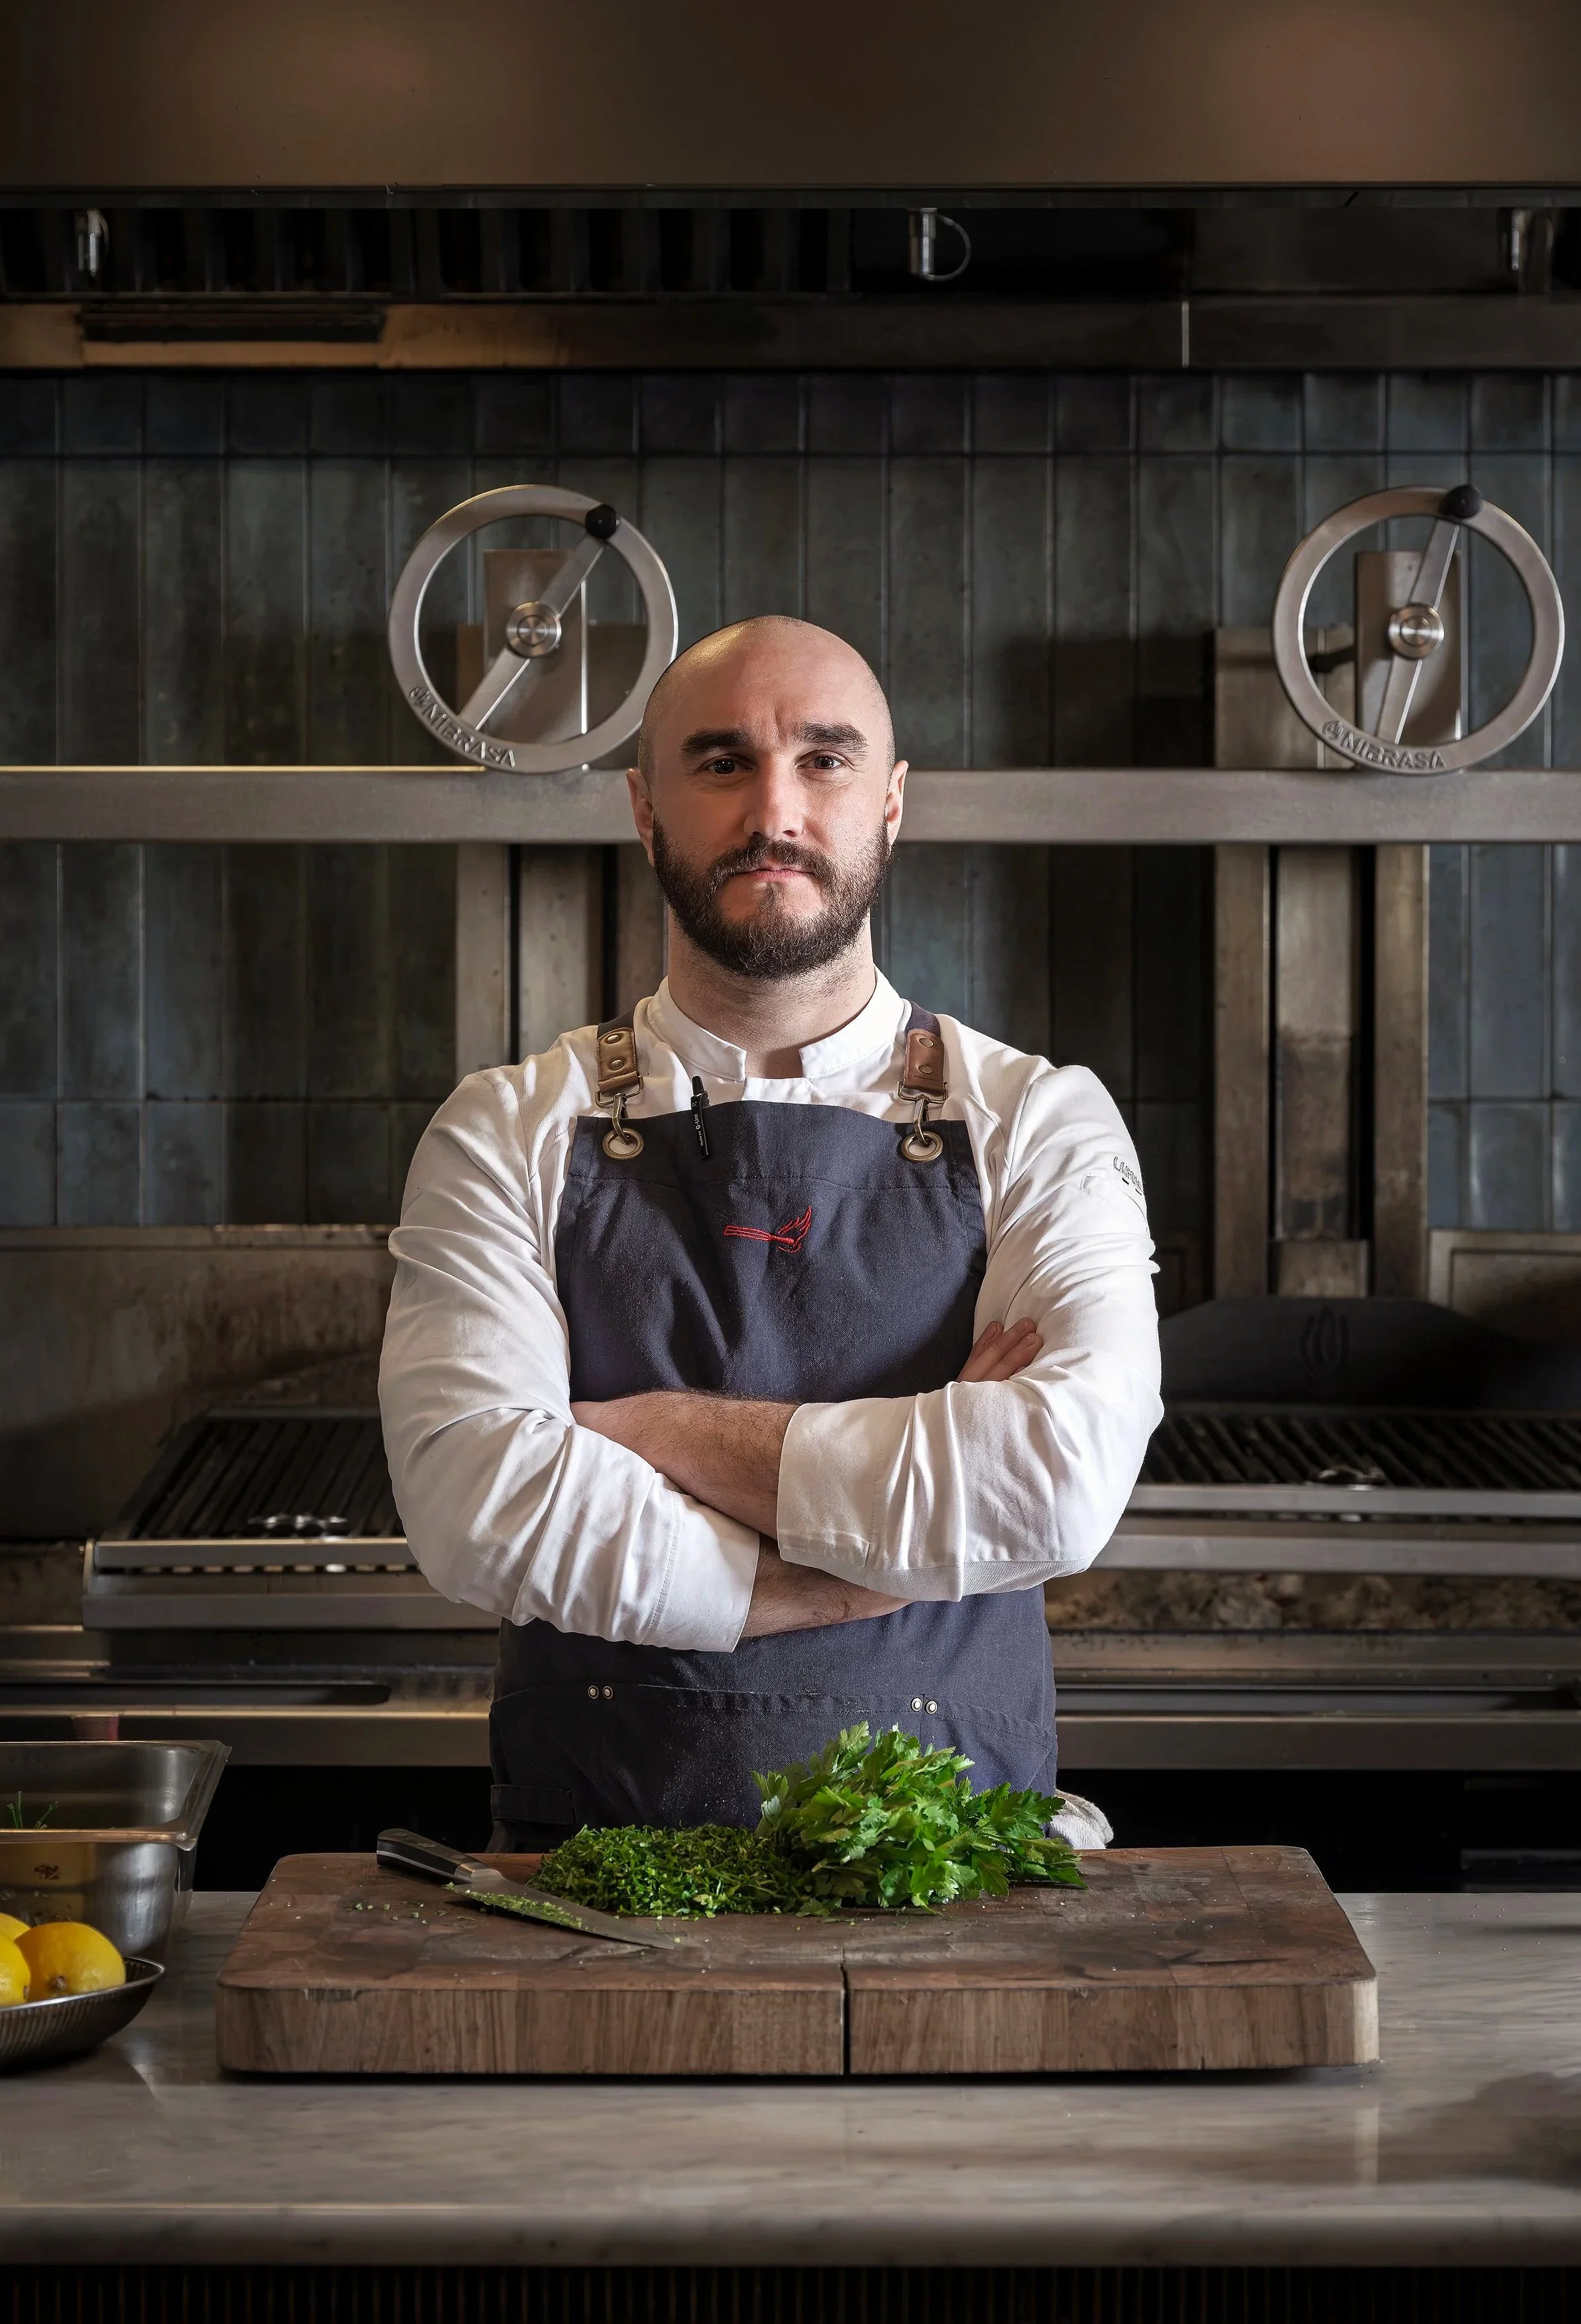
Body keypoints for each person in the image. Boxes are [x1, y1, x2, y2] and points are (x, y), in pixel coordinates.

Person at [379, 616, 1161, 1851]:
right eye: (722, 762)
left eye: (826, 760)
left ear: (892, 802)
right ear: (644, 807)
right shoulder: (505, 1128)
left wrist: (656, 1432)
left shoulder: (1037, 1119)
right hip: (591, 1898)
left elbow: (1052, 1486)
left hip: (956, 1885)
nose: (774, 810)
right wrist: (882, 1549)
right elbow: (477, 1502)